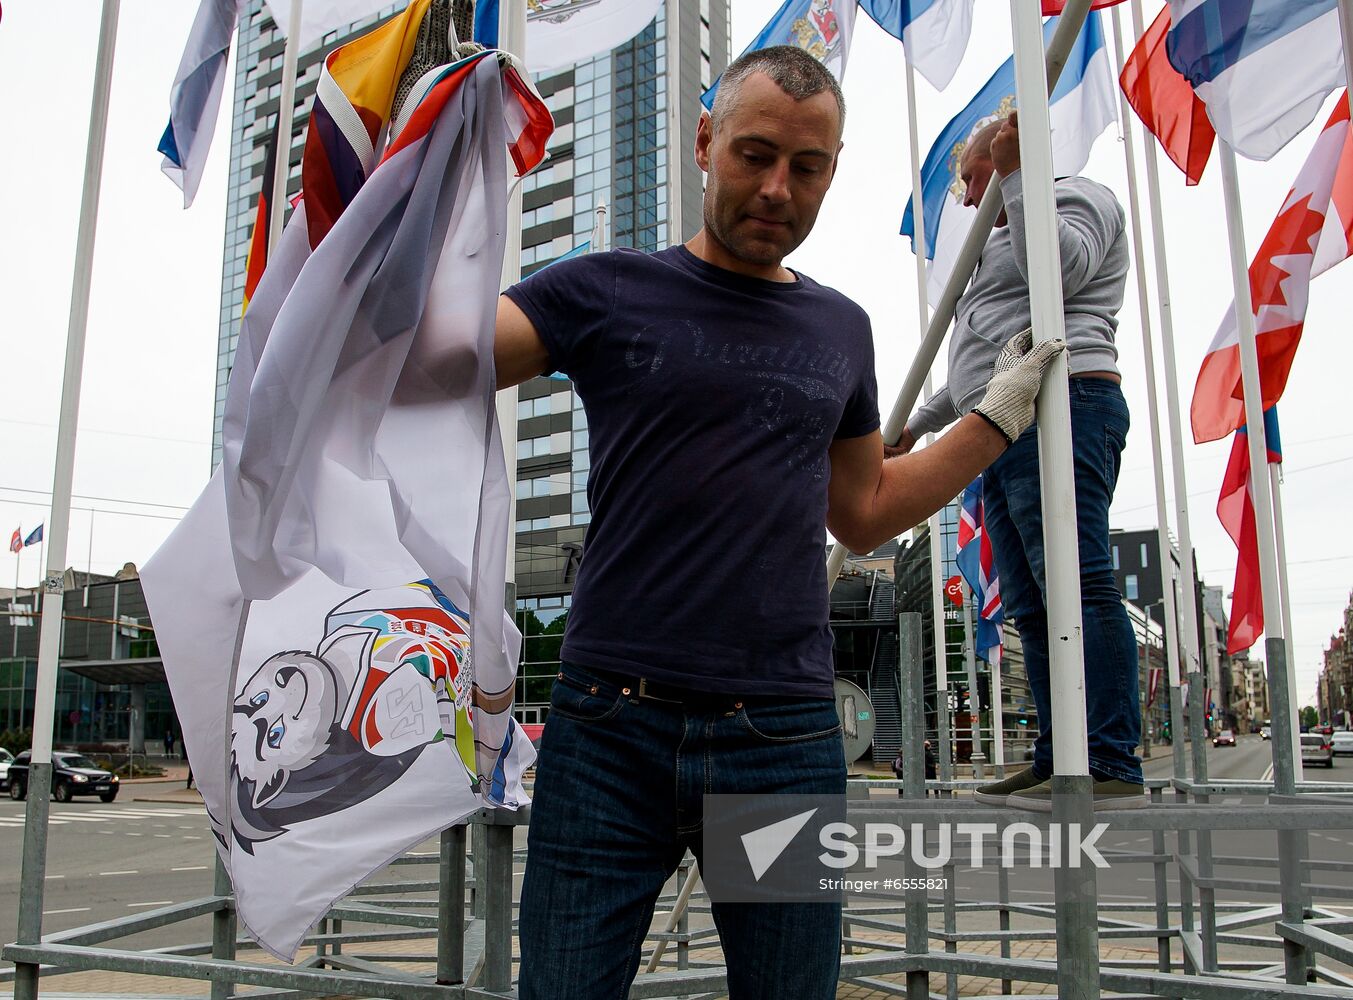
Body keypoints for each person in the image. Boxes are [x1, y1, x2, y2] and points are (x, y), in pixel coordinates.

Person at [490, 49, 1063, 998]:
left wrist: (991, 421)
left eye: (807, 167)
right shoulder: (606, 289)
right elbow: (437, 355)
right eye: (753, 155)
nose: (775, 188)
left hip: (781, 739)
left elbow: (864, 509)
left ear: (833, 169)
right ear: (707, 142)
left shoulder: (841, 329)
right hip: (606, 733)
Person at [896, 111, 1142, 811]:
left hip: (1063, 401)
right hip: (1002, 422)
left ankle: (1109, 757)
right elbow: (978, 361)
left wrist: (1014, 177)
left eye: (971, 179)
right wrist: (916, 426)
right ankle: (1059, 754)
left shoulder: (1071, 195)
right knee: (1031, 603)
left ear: (1003, 154)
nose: (972, 201)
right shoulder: (1007, 225)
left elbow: (1063, 268)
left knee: (1075, 579)